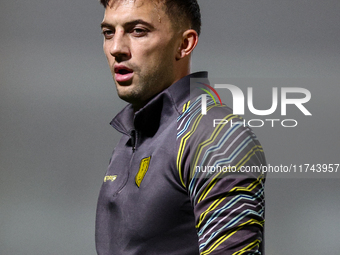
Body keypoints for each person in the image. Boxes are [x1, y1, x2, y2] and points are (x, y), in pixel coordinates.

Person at [95, 0, 266, 254]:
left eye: (138, 30)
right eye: (109, 32)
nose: (116, 48)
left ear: (184, 44)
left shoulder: (214, 134)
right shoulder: (135, 134)